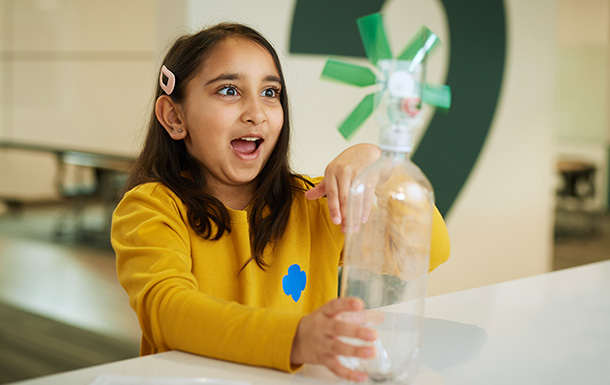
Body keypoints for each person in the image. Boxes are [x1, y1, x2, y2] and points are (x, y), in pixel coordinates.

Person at [111, 22, 450, 383]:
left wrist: (382, 166)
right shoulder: (150, 208)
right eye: (229, 90)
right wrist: (297, 338)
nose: (256, 112)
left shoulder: (313, 203)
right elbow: (168, 313)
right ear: (175, 117)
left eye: (270, 93)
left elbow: (429, 253)